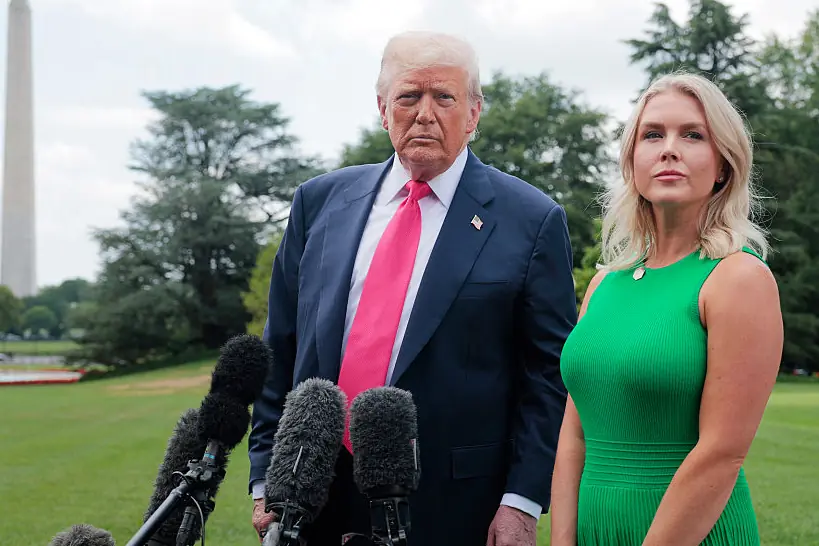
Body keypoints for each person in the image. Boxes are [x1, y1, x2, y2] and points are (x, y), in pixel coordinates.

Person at [247, 31, 577, 546]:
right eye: (409, 96)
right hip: (311, 501)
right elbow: (280, 347)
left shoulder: (532, 220)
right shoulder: (318, 204)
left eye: (444, 97)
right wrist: (267, 472)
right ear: (383, 109)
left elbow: (549, 376)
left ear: (473, 112)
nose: (425, 113)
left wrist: (521, 502)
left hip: (456, 507)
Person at [550, 72, 784, 545]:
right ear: (632, 161)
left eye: (693, 135)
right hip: (597, 529)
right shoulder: (603, 285)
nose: (669, 149)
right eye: (652, 134)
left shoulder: (738, 278)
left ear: (723, 166)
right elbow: (574, 435)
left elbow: (722, 452)